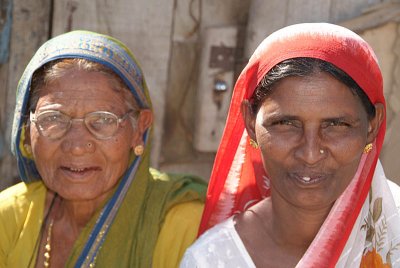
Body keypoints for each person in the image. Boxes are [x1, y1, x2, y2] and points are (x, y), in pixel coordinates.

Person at [180, 23, 400, 267]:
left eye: (336, 125)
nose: (310, 154)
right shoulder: (212, 259)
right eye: (285, 123)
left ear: (372, 125)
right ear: (251, 122)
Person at [0, 30, 206, 267]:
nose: (77, 146)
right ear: (26, 130)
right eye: (53, 118)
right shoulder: (9, 218)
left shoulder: (185, 227)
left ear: (139, 128)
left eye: (103, 120)